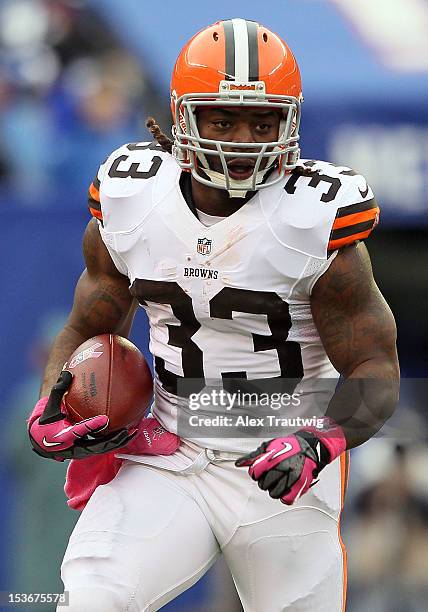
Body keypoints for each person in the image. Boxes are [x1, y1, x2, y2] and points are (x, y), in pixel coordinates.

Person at [28, 18, 399, 612]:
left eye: (262, 121)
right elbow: (88, 326)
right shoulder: (133, 202)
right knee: (94, 597)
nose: (242, 139)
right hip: (170, 456)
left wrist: (316, 443)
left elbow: (376, 369)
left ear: (290, 123)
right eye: (221, 119)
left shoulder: (315, 220)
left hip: (283, 473)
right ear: (182, 118)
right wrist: (55, 397)